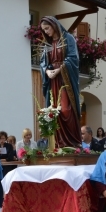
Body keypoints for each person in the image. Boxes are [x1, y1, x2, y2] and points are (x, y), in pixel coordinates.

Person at [39, 16, 82, 147]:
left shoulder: (68, 38)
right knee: (53, 110)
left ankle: (71, 142)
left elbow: (73, 58)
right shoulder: (47, 43)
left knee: (65, 109)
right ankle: (57, 143)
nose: (46, 32)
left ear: (54, 25)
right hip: (53, 81)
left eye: (47, 28)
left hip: (65, 79)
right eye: (44, 30)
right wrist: (47, 71)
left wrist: (58, 70)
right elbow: (43, 62)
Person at [0, 131, 16, 212]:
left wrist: (3, 159)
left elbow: (11, 156)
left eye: (3, 138)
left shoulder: (9, 146)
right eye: (0, 139)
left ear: (5, 139)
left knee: (8, 187)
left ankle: (9, 205)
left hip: (7, 169)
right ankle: (0, 206)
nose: (1, 140)